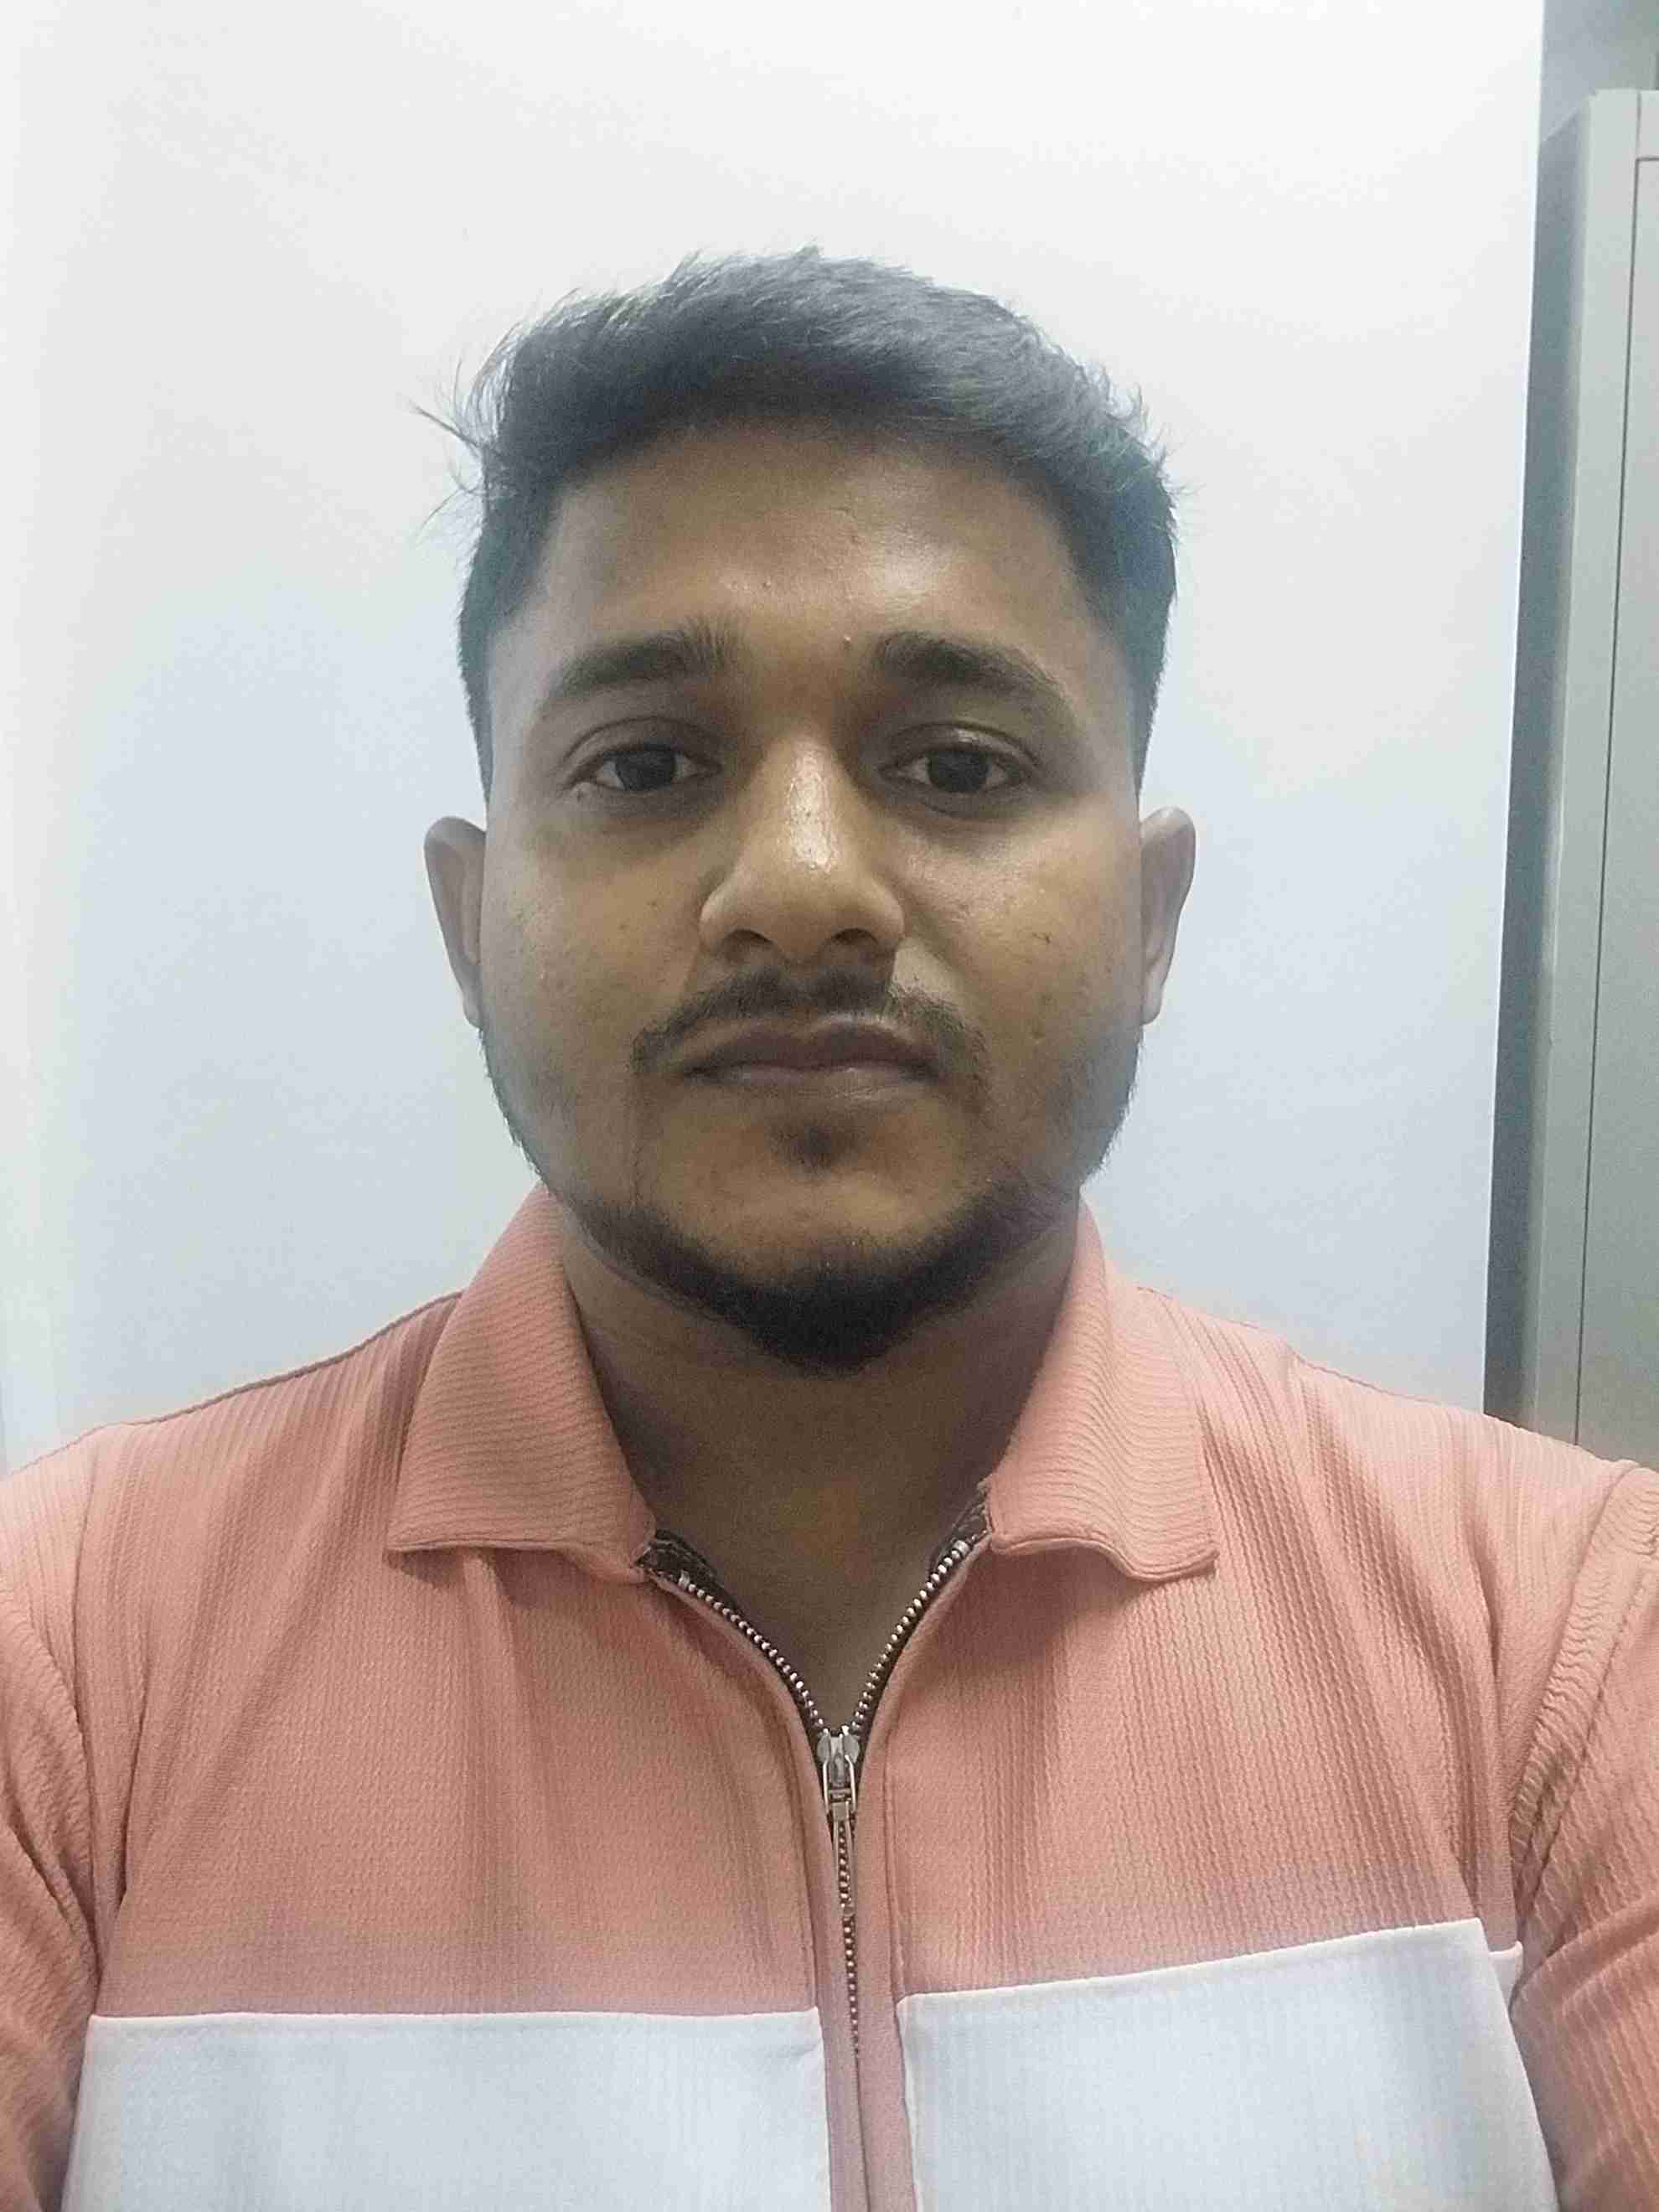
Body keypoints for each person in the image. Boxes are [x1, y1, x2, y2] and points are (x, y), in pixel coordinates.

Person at [2, 245, 1653, 2212]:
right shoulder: (65, 1657)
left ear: (1150, 923)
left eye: (956, 767)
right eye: (646, 766)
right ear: (468, 924)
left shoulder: (1568, 1643)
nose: (797, 886)